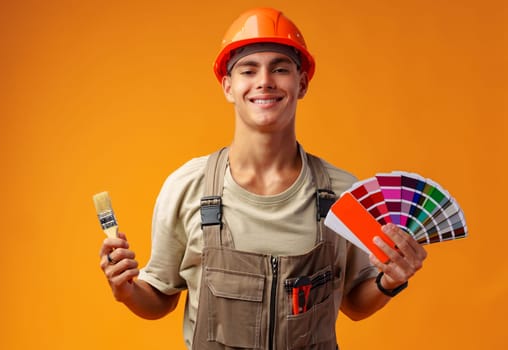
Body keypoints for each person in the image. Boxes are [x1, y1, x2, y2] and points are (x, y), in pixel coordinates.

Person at [99, 7, 427, 350]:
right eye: (248, 69)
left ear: (302, 84)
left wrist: (390, 280)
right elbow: (159, 298)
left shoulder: (344, 194)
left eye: (280, 68)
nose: (265, 80)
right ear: (228, 86)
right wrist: (126, 290)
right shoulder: (187, 188)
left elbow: (355, 304)